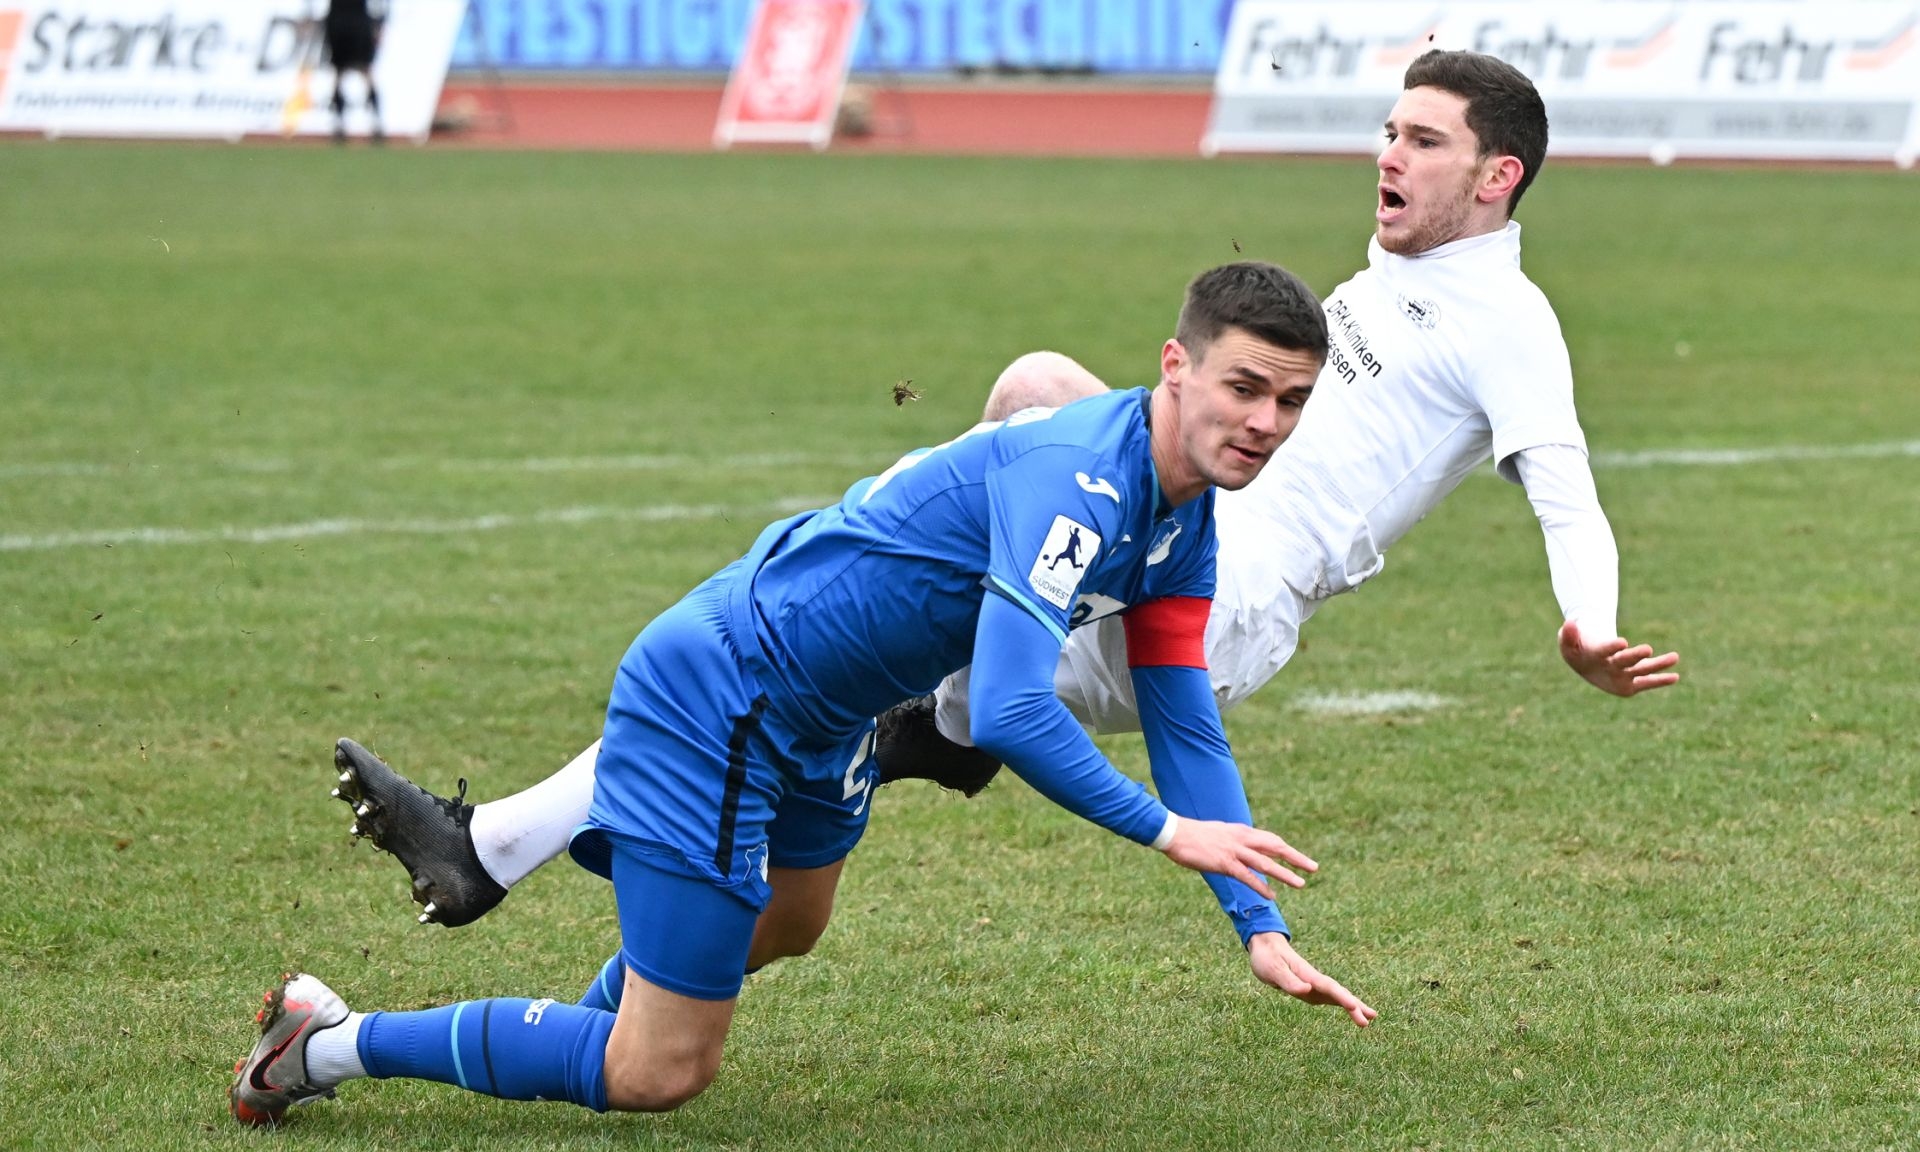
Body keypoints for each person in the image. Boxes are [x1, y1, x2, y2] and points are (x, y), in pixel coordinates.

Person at [321, 48, 1679, 934]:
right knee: (1026, 392)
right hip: (1183, 531)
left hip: (1228, 598)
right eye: (1387, 130)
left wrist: (1590, 625)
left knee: (803, 650)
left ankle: (512, 841)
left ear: (1497, 177)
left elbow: (1565, 486)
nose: (1388, 154)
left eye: (1423, 141)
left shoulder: (1511, 323)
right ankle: (933, 721)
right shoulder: (1401, 271)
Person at [232, 261, 1375, 1128]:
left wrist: (1258, 926)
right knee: (661, 1072)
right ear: (1175, 366)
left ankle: (585, 1009)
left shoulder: (1183, 521)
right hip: (725, 691)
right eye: (1244, 387)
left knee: (790, 917)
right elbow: (1012, 708)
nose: (1265, 423)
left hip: (824, 715)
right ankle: (324, 1042)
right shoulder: (1080, 480)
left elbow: (1182, 717)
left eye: (1290, 400)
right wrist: (1167, 831)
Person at [323, 0, 384, 144]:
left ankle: (340, 124)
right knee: (362, 72)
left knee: (341, 73)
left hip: (341, 20)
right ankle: (375, 123)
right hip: (355, 21)